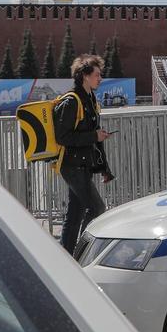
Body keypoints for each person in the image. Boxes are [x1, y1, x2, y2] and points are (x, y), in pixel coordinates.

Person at [54, 54, 114, 254]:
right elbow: (63, 137)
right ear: (84, 76)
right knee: (97, 208)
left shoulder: (90, 99)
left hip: (83, 165)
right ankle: (82, 252)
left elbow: (93, 137)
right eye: (97, 74)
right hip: (71, 165)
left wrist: (104, 168)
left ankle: (67, 256)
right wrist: (93, 136)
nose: (100, 78)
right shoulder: (72, 101)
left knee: (75, 214)